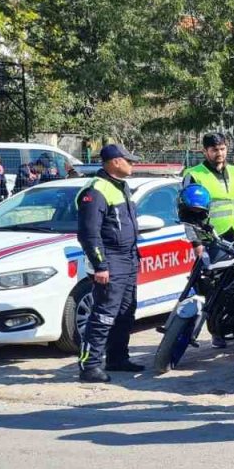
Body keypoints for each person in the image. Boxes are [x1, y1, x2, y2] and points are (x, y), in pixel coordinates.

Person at [75, 144, 145, 382]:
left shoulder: (121, 186)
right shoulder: (96, 190)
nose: (132, 164)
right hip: (111, 259)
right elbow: (88, 233)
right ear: (115, 162)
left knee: (126, 312)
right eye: (129, 160)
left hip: (128, 258)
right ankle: (90, 366)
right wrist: (101, 265)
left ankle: (117, 358)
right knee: (103, 314)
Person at [180, 133, 234, 249]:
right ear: (205, 151)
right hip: (210, 239)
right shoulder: (193, 175)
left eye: (222, 149)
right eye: (215, 150)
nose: (220, 153)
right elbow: (186, 213)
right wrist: (196, 243)